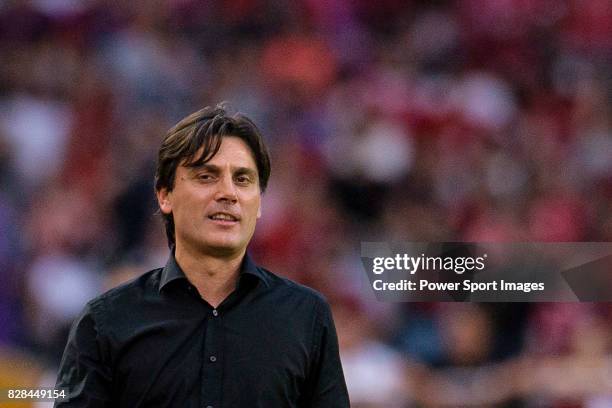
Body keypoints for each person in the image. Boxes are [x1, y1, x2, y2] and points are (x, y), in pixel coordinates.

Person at [54, 104, 350, 407]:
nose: (228, 193)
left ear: (259, 203)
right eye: (207, 176)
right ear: (165, 195)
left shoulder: (306, 317)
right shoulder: (106, 321)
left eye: (243, 179)